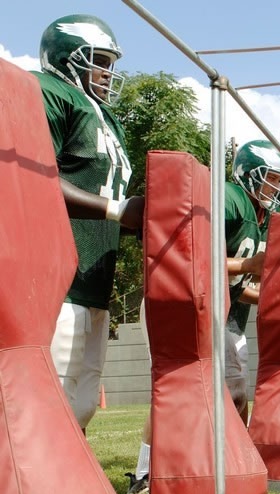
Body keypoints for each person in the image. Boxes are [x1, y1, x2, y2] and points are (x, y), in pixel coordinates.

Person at [125, 139, 280, 494]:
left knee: (236, 392)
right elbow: (190, 255)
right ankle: (145, 473)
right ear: (248, 175)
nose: (276, 188)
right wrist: (248, 265)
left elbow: (233, 281)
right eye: (271, 179)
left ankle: (231, 458)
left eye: (279, 180)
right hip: (179, 304)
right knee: (173, 387)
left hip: (220, 312)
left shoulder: (262, 218)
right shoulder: (230, 198)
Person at [35, 14, 144, 434]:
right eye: (98, 61)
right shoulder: (49, 92)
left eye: (110, 63)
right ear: (66, 59)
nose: (107, 72)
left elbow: (106, 194)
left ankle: (62, 492)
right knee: (52, 397)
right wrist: (118, 211)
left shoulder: (107, 118)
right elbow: (34, 177)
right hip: (58, 276)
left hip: (96, 279)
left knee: (82, 401)